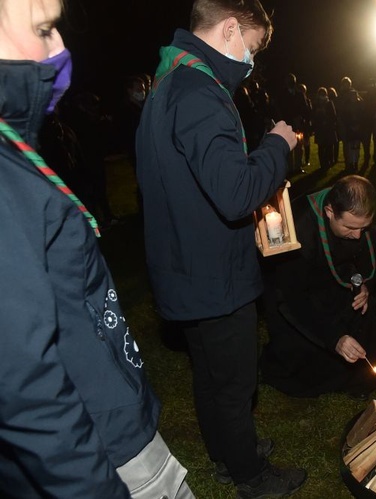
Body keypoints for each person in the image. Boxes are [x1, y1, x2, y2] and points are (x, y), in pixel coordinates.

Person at [0, 0, 193, 496]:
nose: (60, 47)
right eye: (43, 29)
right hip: (102, 440)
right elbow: (24, 387)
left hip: (108, 411)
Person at [135, 0, 306, 497]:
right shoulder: (199, 91)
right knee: (234, 383)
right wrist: (277, 145)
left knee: (210, 376)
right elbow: (235, 195)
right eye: (251, 48)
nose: (251, 62)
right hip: (213, 276)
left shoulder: (171, 80)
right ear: (231, 29)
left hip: (186, 268)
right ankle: (250, 476)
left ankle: (228, 452)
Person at [261, 175, 376, 399]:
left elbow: (369, 257)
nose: (358, 235)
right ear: (329, 212)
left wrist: (364, 285)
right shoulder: (298, 225)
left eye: (363, 228)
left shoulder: (360, 222)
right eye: (350, 227)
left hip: (336, 284)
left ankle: (357, 379)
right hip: (297, 293)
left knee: (365, 310)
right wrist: (334, 338)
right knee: (302, 361)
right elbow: (290, 295)